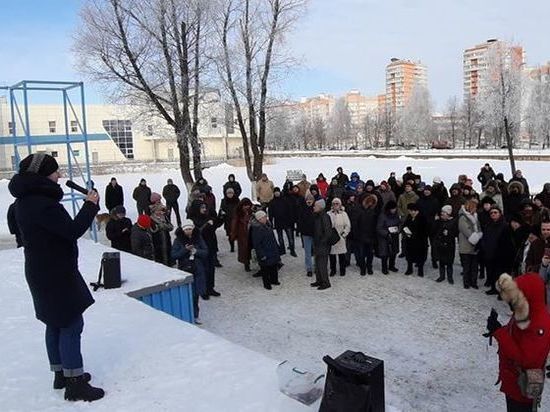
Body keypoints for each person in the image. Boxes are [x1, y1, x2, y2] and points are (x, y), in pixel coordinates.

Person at [8, 153, 104, 401]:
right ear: (42, 175)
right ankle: (74, 384)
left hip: (41, 270)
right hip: (56, 272)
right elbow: (71, 231)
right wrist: (91, 206)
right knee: (72, 323)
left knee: (55, 322)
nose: (59, 176)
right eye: (55, 172)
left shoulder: (24, 201)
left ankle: (61, 374)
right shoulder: (42, 204)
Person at [486, 273, 550, 412]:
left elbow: (526, 360)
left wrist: (499, 332)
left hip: (521, 387)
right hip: (513, 380)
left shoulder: (539, 324)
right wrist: (496, 328)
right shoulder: (526, 312)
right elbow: (515, 336)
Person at [171, 222, 208, 324]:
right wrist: (185, 250)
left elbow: (205, 252)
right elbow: (174, 255)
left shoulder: (198, 238)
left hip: (197, 269)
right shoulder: (178, 240)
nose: (188, 231)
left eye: (190, 229)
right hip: (184, 269)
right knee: (186, 293)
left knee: (195, 294)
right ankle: (186, 314)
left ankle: (196, 315)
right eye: (186, 229)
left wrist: (196, 251)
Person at [189, 202, 223, 298]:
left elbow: (215, 225)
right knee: (202, 270)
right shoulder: (193, 220)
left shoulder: (207, 217)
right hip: (200, 248)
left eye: (205, 207)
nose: (204, 209)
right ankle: (203, 290)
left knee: (211, 268)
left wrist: (220, 217)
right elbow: (197, 232)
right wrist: (207, 225)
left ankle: (210, 288)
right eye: (202, 207)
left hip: (210, 246)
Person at [481, 205, 514, 295]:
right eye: (491, 213)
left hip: (500, 254)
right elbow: (484, 237)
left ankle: (501, 292)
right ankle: (493, 288)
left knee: (500, 274)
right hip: (489, 252)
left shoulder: (505, 226)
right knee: (491, 272)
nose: (493, 214)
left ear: (500, 214)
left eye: (495, 212)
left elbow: (507, 241)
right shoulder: (488, 225)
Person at [251, 210, 281, 290]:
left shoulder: (267, 225)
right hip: (264, 251)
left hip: (271, 249)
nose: (266, 218)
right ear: (259, 219)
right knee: (265, 269)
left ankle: (274, 280)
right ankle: (267, 284)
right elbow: (257, 244)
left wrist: (277, 247)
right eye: (264, 217)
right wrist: (261, 254)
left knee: (273, 265)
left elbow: (272, 238)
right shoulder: (257, 229)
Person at [458, 200, 482, 289]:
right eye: (474, 207)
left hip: (475, 246)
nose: (475, 209)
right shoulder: (463, 217)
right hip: (466, 244)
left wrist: (479, 235)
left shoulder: (475, 217)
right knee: (467, 266)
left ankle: (474, 282)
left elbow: (479, 228)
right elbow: (466, 230)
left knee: (474, 266)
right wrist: (476, 238)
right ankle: (466, 282)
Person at [267, 187, 296, 257]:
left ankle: (292, 250)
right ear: (273, 193)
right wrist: (270, 222)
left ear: (280, 192)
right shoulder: (271, 202)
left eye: (278, 191)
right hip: (278, 222)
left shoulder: (285, 200)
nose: (276, 193)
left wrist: (291, 220)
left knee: (290, 237)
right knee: (280, 238)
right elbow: (270, 213)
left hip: (287, 221)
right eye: (275, 192)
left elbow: (290, 211)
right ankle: (282, 250)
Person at [433, 205, 457, 284]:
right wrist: (436, 221)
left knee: (449, 262)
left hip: (450, 245)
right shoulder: (439, 221)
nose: (442, 214)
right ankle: (442, 276)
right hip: (441, 244)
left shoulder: (453, 221)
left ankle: (450, 277)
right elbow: (435, 231)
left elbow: (456, 232)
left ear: (448, 213)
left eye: (444, 212)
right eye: (442, 212)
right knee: (441, 262)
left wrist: (449, 233)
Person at [402, 203, 428, 277]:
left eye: (414, 211)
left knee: (420, 256)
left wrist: (414, 235)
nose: (412, 212)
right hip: (410, 240)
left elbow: (424, 231)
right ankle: (409, 269)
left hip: (420, 241)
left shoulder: (422, 218)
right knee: (409, 255)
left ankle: (420, 270)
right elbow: (405, 226)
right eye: (410, 211)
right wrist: (405, 232)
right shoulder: (409, 217)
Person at [356, 194, 379, 276]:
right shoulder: (360, 210)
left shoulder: (375, 212)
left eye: (372, 202)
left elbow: (376, 225)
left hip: (371, 236)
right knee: (361, 254)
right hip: (361, 235)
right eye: (369, 201)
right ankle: (363, 268)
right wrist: (358, 234)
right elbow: (356, 223)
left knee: (370, 254)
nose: (370, 203)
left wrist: (375, 236)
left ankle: (369, 267)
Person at [327, 198, 351, 277]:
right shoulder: (328, 214)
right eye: (334, 203)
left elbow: (348, 225)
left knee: (342, 255)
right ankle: (333, 270)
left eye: (337, 203)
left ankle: (342, 269)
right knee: (332, 255)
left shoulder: (344, 214)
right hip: (332, 237)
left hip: (341, 236)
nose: (335, 205)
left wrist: (344, 234)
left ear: (340, 204)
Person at [312, 199, 332, 290]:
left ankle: (325, 282)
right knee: (317, 263)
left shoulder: (325, 216)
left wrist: (322, 242)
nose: (314, 207)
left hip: (323, 244)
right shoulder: (317, 216)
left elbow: (328, 232)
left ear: (320, 207)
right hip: (317, 243)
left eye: (315, 206)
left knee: (322, 264)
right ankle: (319, 280)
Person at [376, 200, 400, 274]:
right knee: (385, 253)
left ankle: (391, 266)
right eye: (392, 209)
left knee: (394, 252)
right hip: (385, 237)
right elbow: (379, 228)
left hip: (394, 236)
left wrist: (398, 229)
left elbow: (399, 223)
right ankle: (384, 268)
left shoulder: (396, 215)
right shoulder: (382, 216)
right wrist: (386, 233)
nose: (394, 210)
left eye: (395, 208)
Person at [230, 198, 253, 272]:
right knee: (245, 250)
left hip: (251, 233)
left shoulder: (251, 212)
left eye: (248, 205)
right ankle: (246, 264)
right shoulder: (238, 213)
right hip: (242, 234)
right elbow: (234, 224)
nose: (247, 207)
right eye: (245, 205)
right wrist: (233, 235)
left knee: (252, 248)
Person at [298, 194, 316, 277]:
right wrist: (301, 231)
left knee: (316, 251)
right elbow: (300, 221)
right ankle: (309, 268)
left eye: (311, 199)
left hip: (315, 234)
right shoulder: (302, 209)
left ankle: (316, 267)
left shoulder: (316, 209)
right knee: (307, 252)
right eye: (307, 199)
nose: (309, 201)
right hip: (306, 234)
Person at [219, 187, 240, 252]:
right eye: (228, 193)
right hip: (227, 220)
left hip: (236, 219)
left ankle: (240, 246)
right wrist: (221, 213)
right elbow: (221, 209)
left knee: (238, 234)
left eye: (231, 193)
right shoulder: (223, 201)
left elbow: (240, 208)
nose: (230, 194)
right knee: (230, 234)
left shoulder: (237, 200)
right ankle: (232, 247)